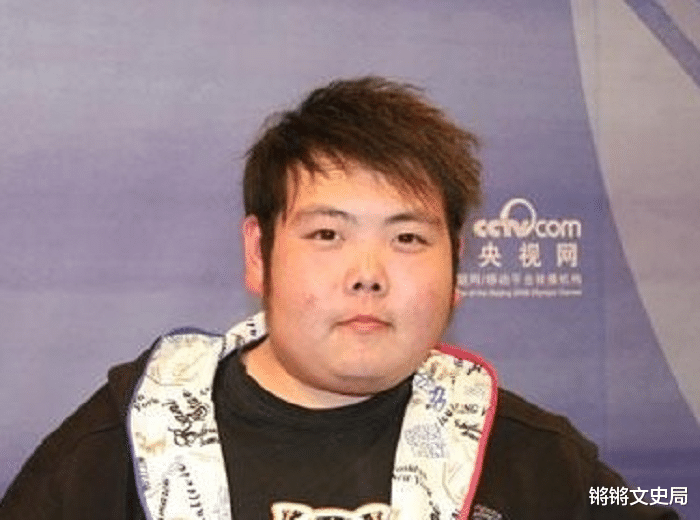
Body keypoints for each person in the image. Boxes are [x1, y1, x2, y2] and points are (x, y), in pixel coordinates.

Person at [0, 77, 678, 520]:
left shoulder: (535, 455)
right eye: (327, 234)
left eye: (407, 238)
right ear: (258, 253)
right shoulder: (123, 441)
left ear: (456, 263)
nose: (368, 274)